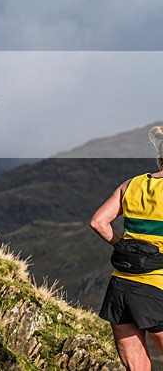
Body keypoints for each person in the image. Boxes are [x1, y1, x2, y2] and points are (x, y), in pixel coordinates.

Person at [91, 126, 163, 370]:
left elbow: (98, 222)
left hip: (120, 288)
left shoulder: (131, 185)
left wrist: (124, 246)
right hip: (157, 286)